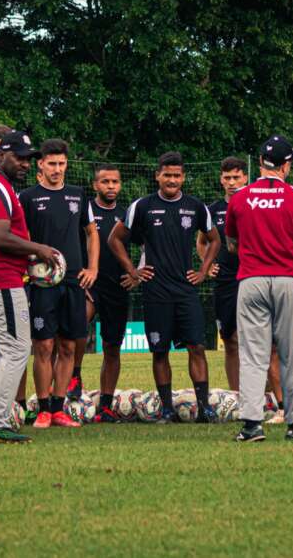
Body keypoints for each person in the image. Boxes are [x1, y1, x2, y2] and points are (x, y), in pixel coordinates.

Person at [109, 152, 221, 423]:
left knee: (196, 346)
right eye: (167, 175)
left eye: (177, 175)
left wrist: (204, 271)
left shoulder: (196, 207)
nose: (172, 180)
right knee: (160, 351)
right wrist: (132, 270)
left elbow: (214, 239)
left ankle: (204, 407)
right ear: (157, 175)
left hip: (185, 289)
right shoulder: (142, 206)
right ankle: (166, 409)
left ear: (183, 177)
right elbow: (115, 239)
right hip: (155, 290)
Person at [225, 135, 293, 442]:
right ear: (286, 165)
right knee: (292, 351)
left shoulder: (239, 197)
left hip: (250, 279)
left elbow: (231, 243)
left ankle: (252, 425)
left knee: (254, 354)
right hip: (288, 277)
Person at [0, 131, 61, 444]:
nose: (23, 163)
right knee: (18, 349)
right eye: (18, 157)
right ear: (0, 154)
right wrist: (39, 249)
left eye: (27, 158)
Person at [19, 139, 99, 428]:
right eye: (51, 163)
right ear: (40, 164)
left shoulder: (78, 195)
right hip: (42, 284)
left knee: (67, 346)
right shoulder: (27, 197)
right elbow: (19, 236)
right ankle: (42, 408)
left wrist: (92, 268)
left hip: (73, 281)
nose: (56, 169)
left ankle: (58, 408)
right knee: (43, 346)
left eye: (61, 163)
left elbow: (92, 233)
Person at [87, 165, 135, 422]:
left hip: (117, 286)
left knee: (112, 347)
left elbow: (149, 242)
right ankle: (72, 384)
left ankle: (105, 404)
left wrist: (135, 273)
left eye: (115, 181)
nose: (110, 186)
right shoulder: (85, 210)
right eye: (105, 181)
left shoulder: (126, 214)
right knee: (72, 338)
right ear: (96, 185)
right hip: (89, 284)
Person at [203, 157, 249, 391]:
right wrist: (207, 264)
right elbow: (203, 241)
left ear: (246, 178)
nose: (232, 182)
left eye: (236, 177)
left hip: (253, 277)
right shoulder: (212, 210)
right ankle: (236, 395)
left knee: (260, 341)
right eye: (227, 178)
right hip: (225, 282)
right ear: (221, 179)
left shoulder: (254, 203)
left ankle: (269, 396)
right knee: (230, 340)